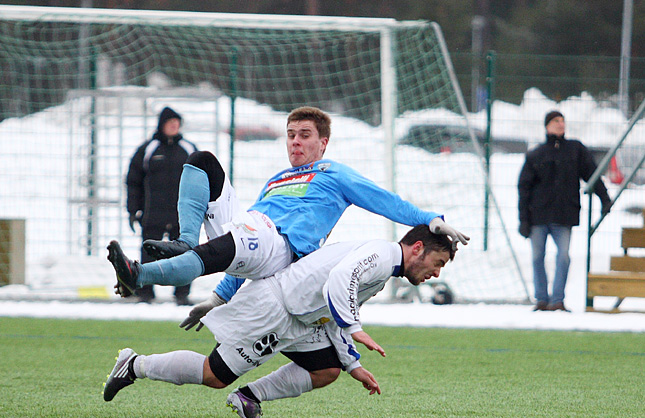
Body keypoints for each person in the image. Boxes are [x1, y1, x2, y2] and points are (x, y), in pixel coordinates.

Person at [108, 106, 469, 307]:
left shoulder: (334, 173)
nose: (295, 142)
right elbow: (243, 247)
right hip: (254, 231)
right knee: (202, 161)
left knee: (242, 237)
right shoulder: (277, 179)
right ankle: (186, 241)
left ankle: (139, 275)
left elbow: (385, 201)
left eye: (305, 135)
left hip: (282, 248)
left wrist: (430, 220)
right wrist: (219, 299)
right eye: (291, 135)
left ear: (323, 143)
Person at [103, 225, 456, 418]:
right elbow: (342, 279)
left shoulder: (384, 268)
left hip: (299, 321)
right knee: (214, 375)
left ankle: (248, 398)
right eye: (437, 263)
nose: (436, 273)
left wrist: (354, 365)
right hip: (274, 310)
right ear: (418, 248)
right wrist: (355, 326)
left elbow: (333, 307)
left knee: (327, 369)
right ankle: (135, 364)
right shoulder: (382, 255)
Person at [518, 110, 612, 312]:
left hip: (564, 215)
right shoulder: (536, 154)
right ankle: (541, 299)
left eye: (562, 121)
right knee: (537, 257)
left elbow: (592, 175)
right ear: (547, 126)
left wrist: (604, 198)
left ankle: (557, 300)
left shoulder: (575, 150)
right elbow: (524, 188)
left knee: (563, 257)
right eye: (555, 121)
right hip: (538, 217)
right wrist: (524, 219)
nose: (560, 124)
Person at [125, 106, 197, 305]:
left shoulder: (190, 149)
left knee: (184, 255)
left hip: (181, 215)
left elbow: (203, 181)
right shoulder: (147, 149)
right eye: (170, 123)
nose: (174, 126)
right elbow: (133, 181)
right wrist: (133, 210)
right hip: (153, 214)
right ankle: (145, 293)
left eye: (177, 123)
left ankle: (182, 294)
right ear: (162, 125)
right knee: (149, 253)